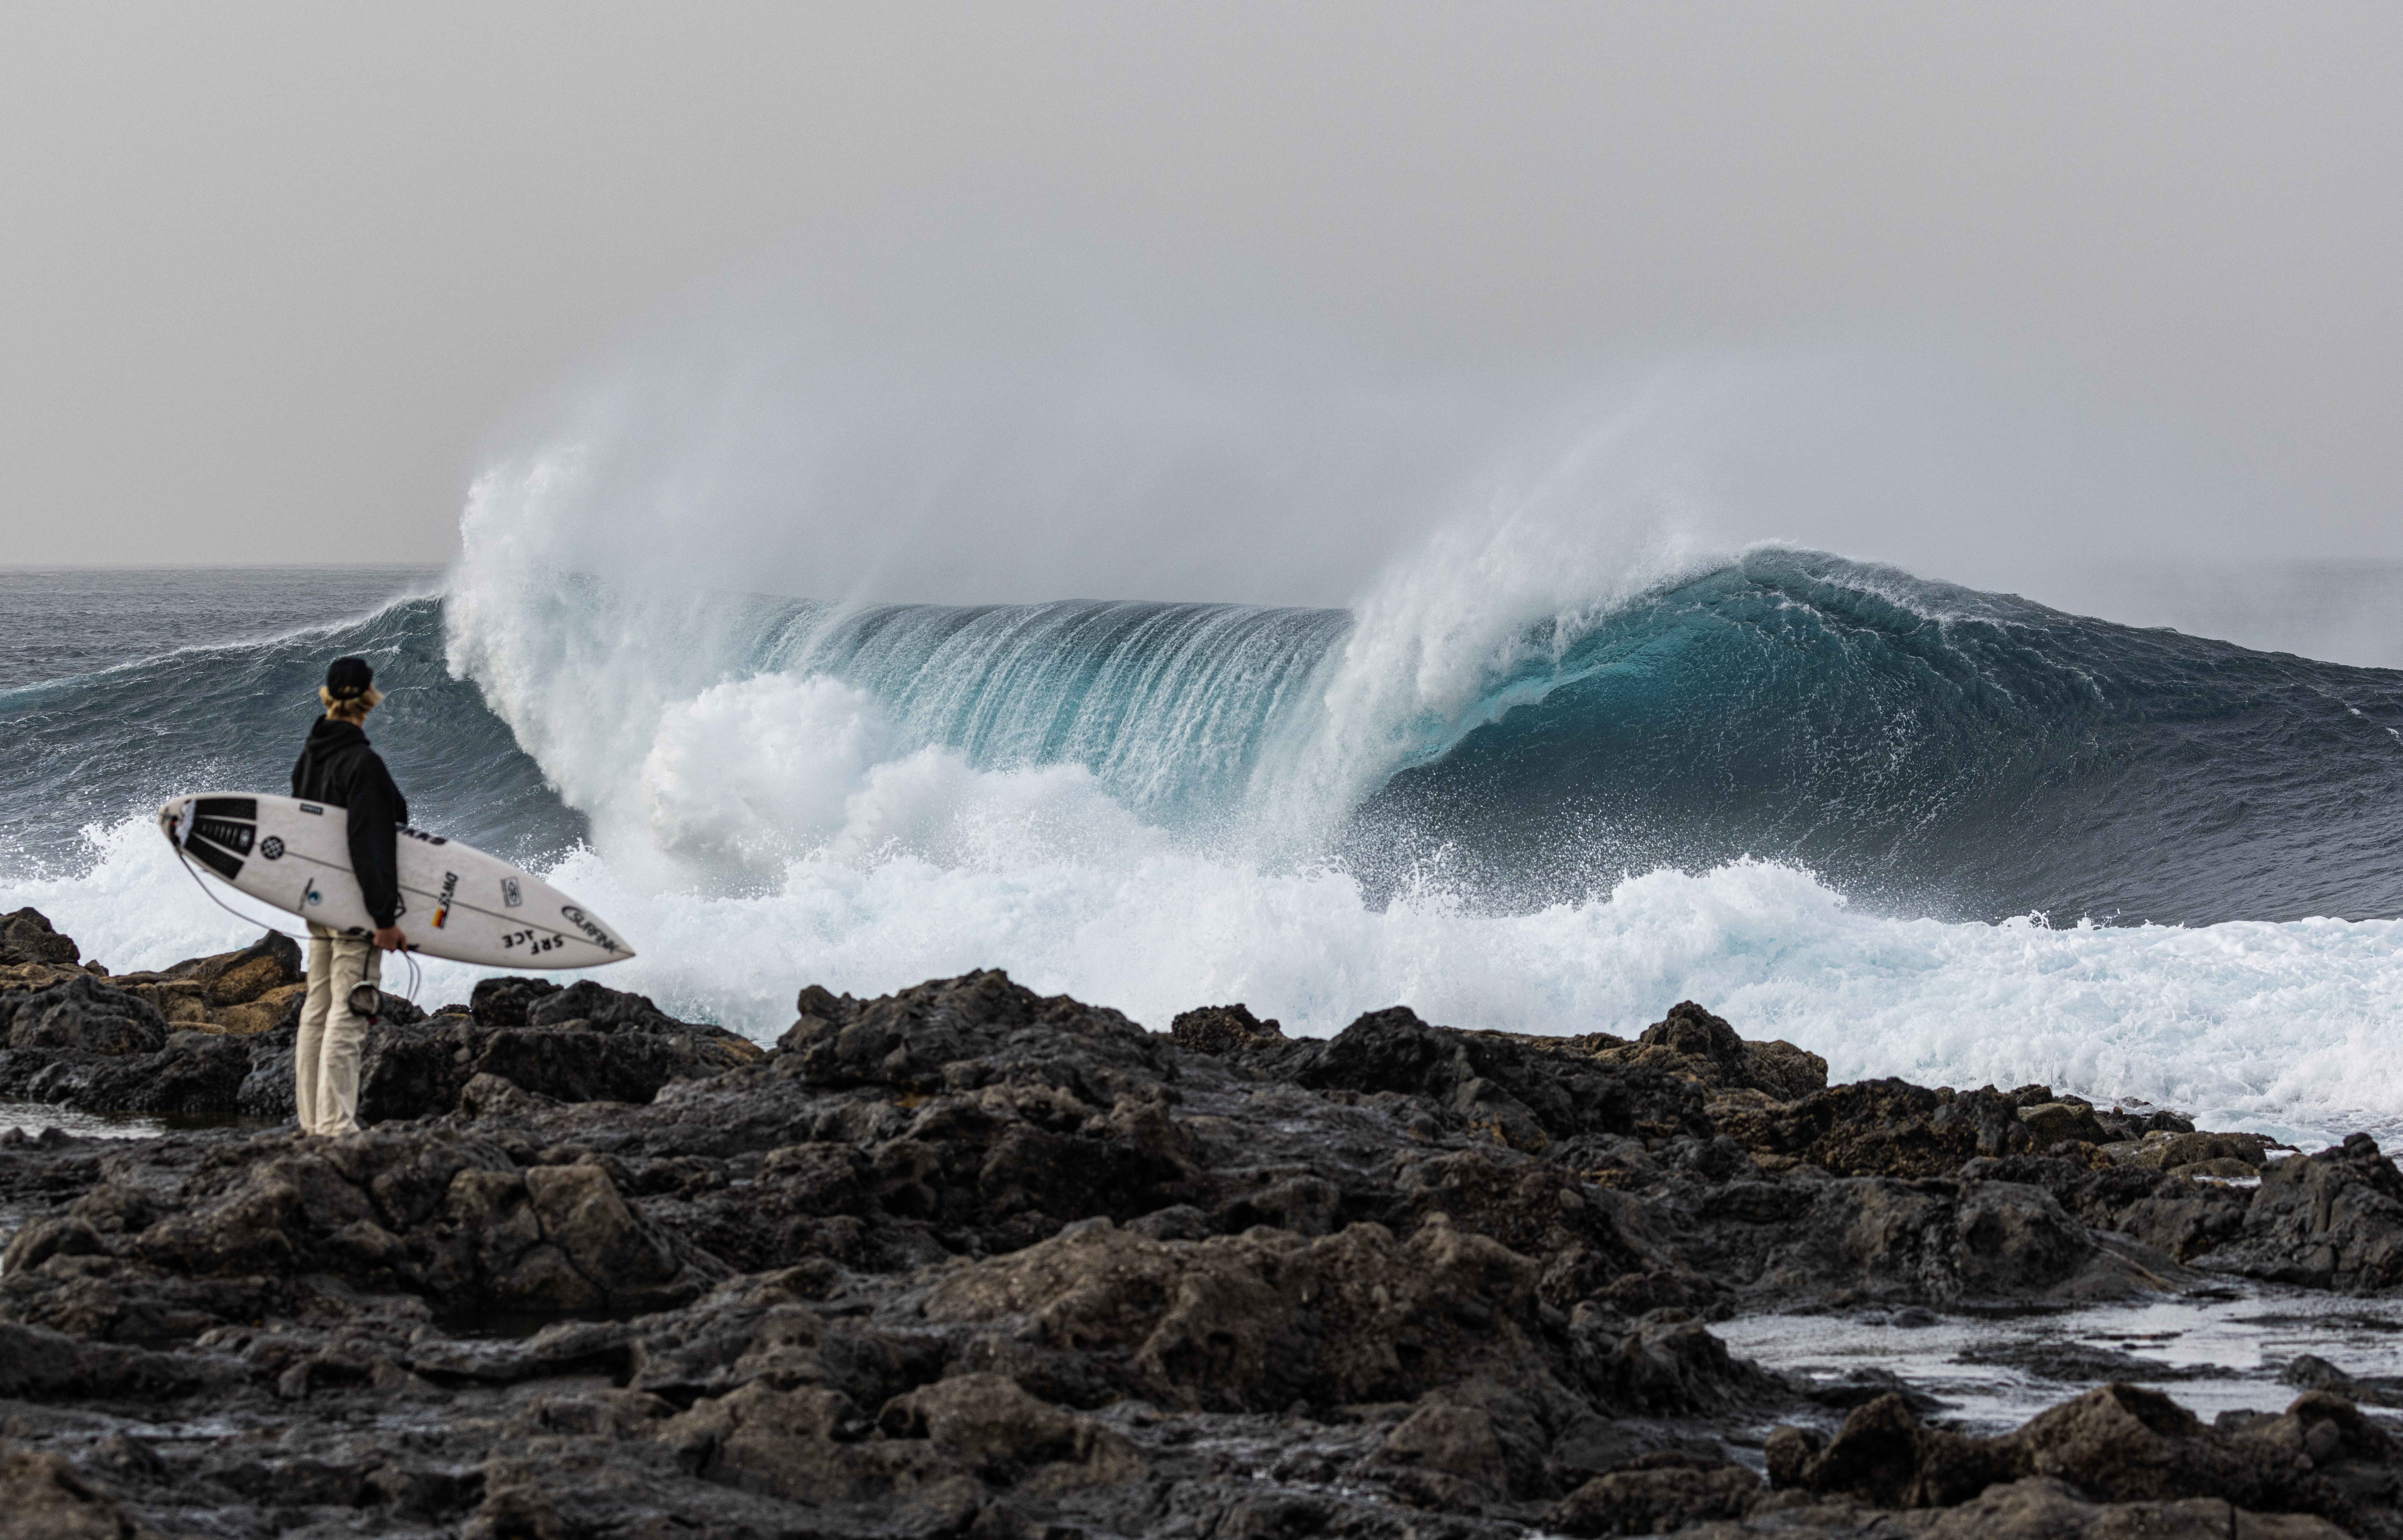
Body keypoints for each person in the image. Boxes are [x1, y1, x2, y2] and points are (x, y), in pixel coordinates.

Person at [288, 656, 408, 1136]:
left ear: (328, 696)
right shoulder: (363, 763)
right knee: (352, 1007)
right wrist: (384, 917)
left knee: (317, 1008)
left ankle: (312, 1122)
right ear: (370, 698)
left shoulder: (310, 758)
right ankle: (336, 1125)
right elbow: (368, 842)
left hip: (318, 903)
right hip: (356, 909)